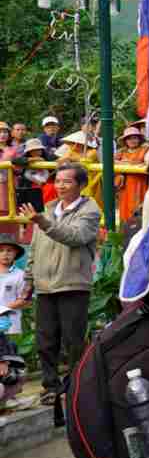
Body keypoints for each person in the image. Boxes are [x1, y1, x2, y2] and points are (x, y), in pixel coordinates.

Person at [21, 163, 100, 407]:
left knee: (73, 341)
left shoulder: (90, 211)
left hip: (72, 284)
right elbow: (35, 248)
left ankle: (77, 387)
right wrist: (28, 280)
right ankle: (51, 387)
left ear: (81, 185)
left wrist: (43, 222)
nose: (60, 186)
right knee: (45, 341)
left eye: (67, 181)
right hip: (45, 286)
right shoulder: (48, 209)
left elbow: (75, 237)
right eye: (58, 181)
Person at [115, 124, 149, 226]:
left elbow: (148, 163)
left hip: (140, 184)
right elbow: (112, 163)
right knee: (125, 209)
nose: (132, 141)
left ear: (139, 139)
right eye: (129, 138)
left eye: (135, 138)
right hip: (125, 187)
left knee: (139, 208)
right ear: (125, 141)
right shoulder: (121, 152)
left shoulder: (145, 150)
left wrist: (127, 163)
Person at [0, 236, 28, 348]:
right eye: (1, 250)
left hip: (11, 326)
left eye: (9, 250)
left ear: (16, 253)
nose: (5, 254)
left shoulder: (21, 275)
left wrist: (2, 310)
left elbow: (25, 300)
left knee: (9, 359)